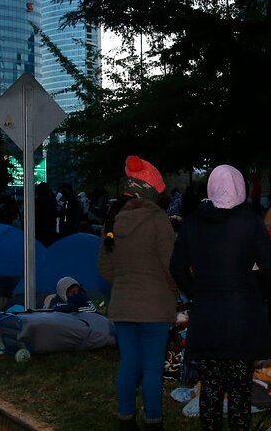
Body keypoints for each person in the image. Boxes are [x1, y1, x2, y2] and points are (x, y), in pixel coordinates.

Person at [169, 164, 271, 431]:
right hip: (242, 317)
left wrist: (197, 291)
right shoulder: (250, 222)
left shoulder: (193, 222)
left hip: (207, 316)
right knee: (240, 389)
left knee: (211, 388)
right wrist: (258, 293)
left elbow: (177, 268)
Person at [98, 155, 177, 431]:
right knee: (153, 368)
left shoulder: (112, 221)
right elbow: (172, 267)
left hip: (123, 306)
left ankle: (125, 419)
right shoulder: (159, 221)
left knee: (129, 365)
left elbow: (105, 268)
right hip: (155, 307)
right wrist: (173, 292)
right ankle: (153, 421)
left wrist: (124, 282)